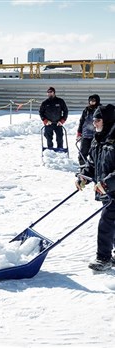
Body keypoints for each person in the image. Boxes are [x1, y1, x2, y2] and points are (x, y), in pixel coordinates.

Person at [75, 104, 115, 271]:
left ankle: (103, 258)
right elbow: (92, 163)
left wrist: (107, 182)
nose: (94, 123)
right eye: (93, 120)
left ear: (106, 121)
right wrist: (84, 175)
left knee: (106, 222)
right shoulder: (98, 139)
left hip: (111, 189)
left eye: (97, 120)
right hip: (106, 190)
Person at [77, 94, 101, 167]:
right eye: (90, 100)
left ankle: (94, 170)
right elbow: (81, 121)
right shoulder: (86, 110)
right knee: (82, 155)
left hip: (96, 137)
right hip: (86, 135)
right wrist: (79, 132)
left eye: (93, 100)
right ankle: (83, 170)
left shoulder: (100, 110)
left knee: (94, 155)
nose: (91, 102)